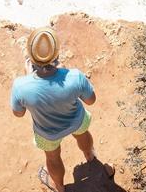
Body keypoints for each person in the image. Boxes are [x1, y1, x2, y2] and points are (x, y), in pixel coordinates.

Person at [10, 28, 109, 192]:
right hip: (77, 121)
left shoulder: (20, 86)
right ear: (56, 54)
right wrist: (64, 72)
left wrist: (28, 78)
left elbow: (18, 113)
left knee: (53, 158)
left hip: (47, 132)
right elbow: (90, 100)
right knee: (83, 135)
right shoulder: (75, 76)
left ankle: (60, 188)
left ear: (31, 58)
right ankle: (90, 156)